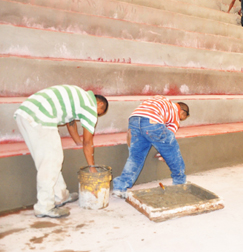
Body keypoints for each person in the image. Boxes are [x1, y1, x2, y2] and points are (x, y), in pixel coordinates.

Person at [13, 85, 109, 218]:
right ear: (99, 103)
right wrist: (92, 167)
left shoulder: (79, 98)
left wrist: (77, 142)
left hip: (25, 113)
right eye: (99, 112)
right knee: (50, 162)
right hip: (41, 116)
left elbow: (71, 124)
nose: (96, 115)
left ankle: (61, 195)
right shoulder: (90, 106)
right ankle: (44, 206)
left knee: (52, 160)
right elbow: (88, 142)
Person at [112, 96, 189, 198]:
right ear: (182, 111)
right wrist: (164, 154)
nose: (180, 120)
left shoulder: (161, 100)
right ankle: (180, 183)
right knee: (173, 152)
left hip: (134, 119)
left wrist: (133, 149)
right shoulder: (174, 114)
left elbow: (132, 133)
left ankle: (119, 188)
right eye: (182, 117)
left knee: (136, 157)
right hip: (152, 120)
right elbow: (168, 141)